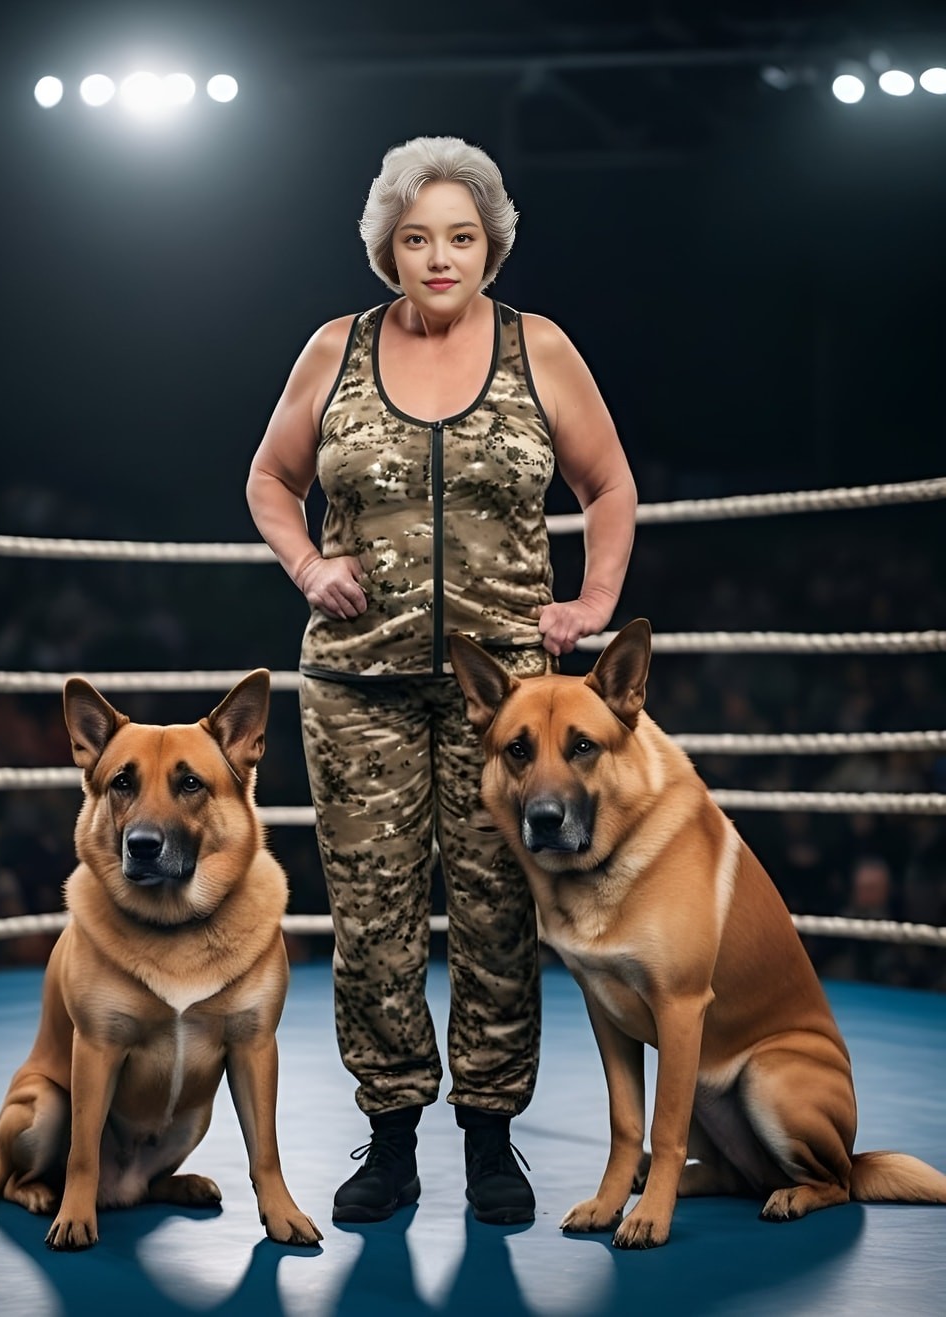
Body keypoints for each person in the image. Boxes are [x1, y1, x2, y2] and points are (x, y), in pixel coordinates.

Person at [246, 135, 636, 1226]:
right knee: (370, 920)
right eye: (417, 238)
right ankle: (389, 1137)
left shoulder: (538, 348)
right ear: (387, 249)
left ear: (491, 248)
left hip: (509, 703)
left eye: (460, 237)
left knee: (501, 912)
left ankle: (491, 1139)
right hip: (356, 686)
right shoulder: (333, 348)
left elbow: (607, 484)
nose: (439, 257)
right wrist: (309, 563)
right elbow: (269, 479)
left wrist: (594, 602)